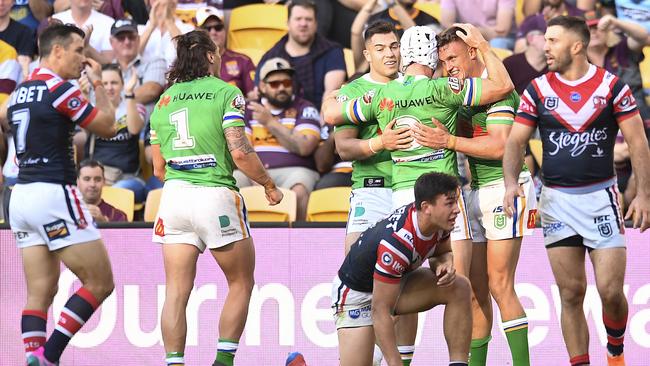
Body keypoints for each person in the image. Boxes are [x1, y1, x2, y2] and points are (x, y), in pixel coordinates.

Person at [503, 16, 650, 366]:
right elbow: (514, 142)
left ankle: (615, 350)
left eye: (552, 40)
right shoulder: (537, 90)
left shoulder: (612, 87)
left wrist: (644, 194)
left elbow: (638, 142)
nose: (544, 47)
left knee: (611, 292)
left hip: (601, 198)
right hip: (556, 202)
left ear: (577, 45)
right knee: (570, 293)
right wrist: (511, 183)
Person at [149, 30, 283, 366]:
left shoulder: (164, 100)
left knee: (176, 291)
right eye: (218, 53)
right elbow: (240, 152)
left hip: (174, 197)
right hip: (215, 195)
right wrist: (268, 183)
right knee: (240, 281)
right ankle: (222, 363)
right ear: (210, 56)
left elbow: (156, 167)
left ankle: (174, 363)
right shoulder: (226, 92)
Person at [415, 26, 535, 366]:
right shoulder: (463, 93)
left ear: (472, 52)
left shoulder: (498, 92)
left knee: (500, 284)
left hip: (507, 188)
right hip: (474, 192)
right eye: (442, 61)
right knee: (474, 294)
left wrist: (449, 142)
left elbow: (500, 146)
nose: (449, 66)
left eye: (453, 57)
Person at [4, 23, 117, 365]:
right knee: (100, 282)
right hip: (53, 192)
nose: (83, 59)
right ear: (57, 51)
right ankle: (50, 355)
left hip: (19, 197)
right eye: (78, 51)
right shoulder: (59, 89)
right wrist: (98, 83)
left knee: (40, 291)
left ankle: (32, 358)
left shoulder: (21, 90)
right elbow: (108, 125)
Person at [331, 171, 472, 366]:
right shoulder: (397, 242)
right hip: (356, 296)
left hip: (393, 285)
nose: (456, 209)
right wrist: (394, 362)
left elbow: (441, 252)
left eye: (455, 202)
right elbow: (380, 311)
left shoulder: (440, 222)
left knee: (459, 287)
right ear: (426, 207)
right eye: (449, 203)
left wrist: (444, 263)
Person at [236, 57, 320, 221]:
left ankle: (298, 238)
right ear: (262, 86)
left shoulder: (305, 108)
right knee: (233, 183)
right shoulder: (248, 110)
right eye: (275, 84)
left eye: (287, 83)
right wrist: (258, 177)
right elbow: (242, 150)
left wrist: (270, 122)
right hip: (254, 171)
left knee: (299, 190)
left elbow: (304, 147)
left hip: (295, 170)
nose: (282, 88)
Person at [255, 0, 346, 108]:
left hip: (320, 117)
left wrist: (321, 124)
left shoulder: (332, 51)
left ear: (316, 24)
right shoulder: (271, 56)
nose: (303, 24)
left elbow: (331, 97)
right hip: (280, 119)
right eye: (298, 19)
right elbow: (260, 93)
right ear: (288, 23)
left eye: (308, 19)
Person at [83, 63, 147, 201]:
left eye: (114, 83)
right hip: (96, 179)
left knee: (116, 191)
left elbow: (134, 129)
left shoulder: (135, 107)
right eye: (104, 83)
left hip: (128, 179)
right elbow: (85, 131)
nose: (109, 87)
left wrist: (129, 94)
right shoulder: (93, 109)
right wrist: (84, 97)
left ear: (123, 84)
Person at [195, 6, 256, 99]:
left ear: (225, 30)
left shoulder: (243, 60)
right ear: (197, 32)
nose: (213, 32)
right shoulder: (188, 62)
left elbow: (254, 97)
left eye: (218, 27)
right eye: (207, 28)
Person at [440, 0, 516, 49]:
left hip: (502, 38)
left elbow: (502, 30)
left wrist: (470, 31)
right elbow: (446, 23)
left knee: (497, 43)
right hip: (464, 35)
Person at [504, 15, 548, 95]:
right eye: (545, 37)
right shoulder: (510, 63)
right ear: (530, 39)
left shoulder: (554, 66)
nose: (549, 42)